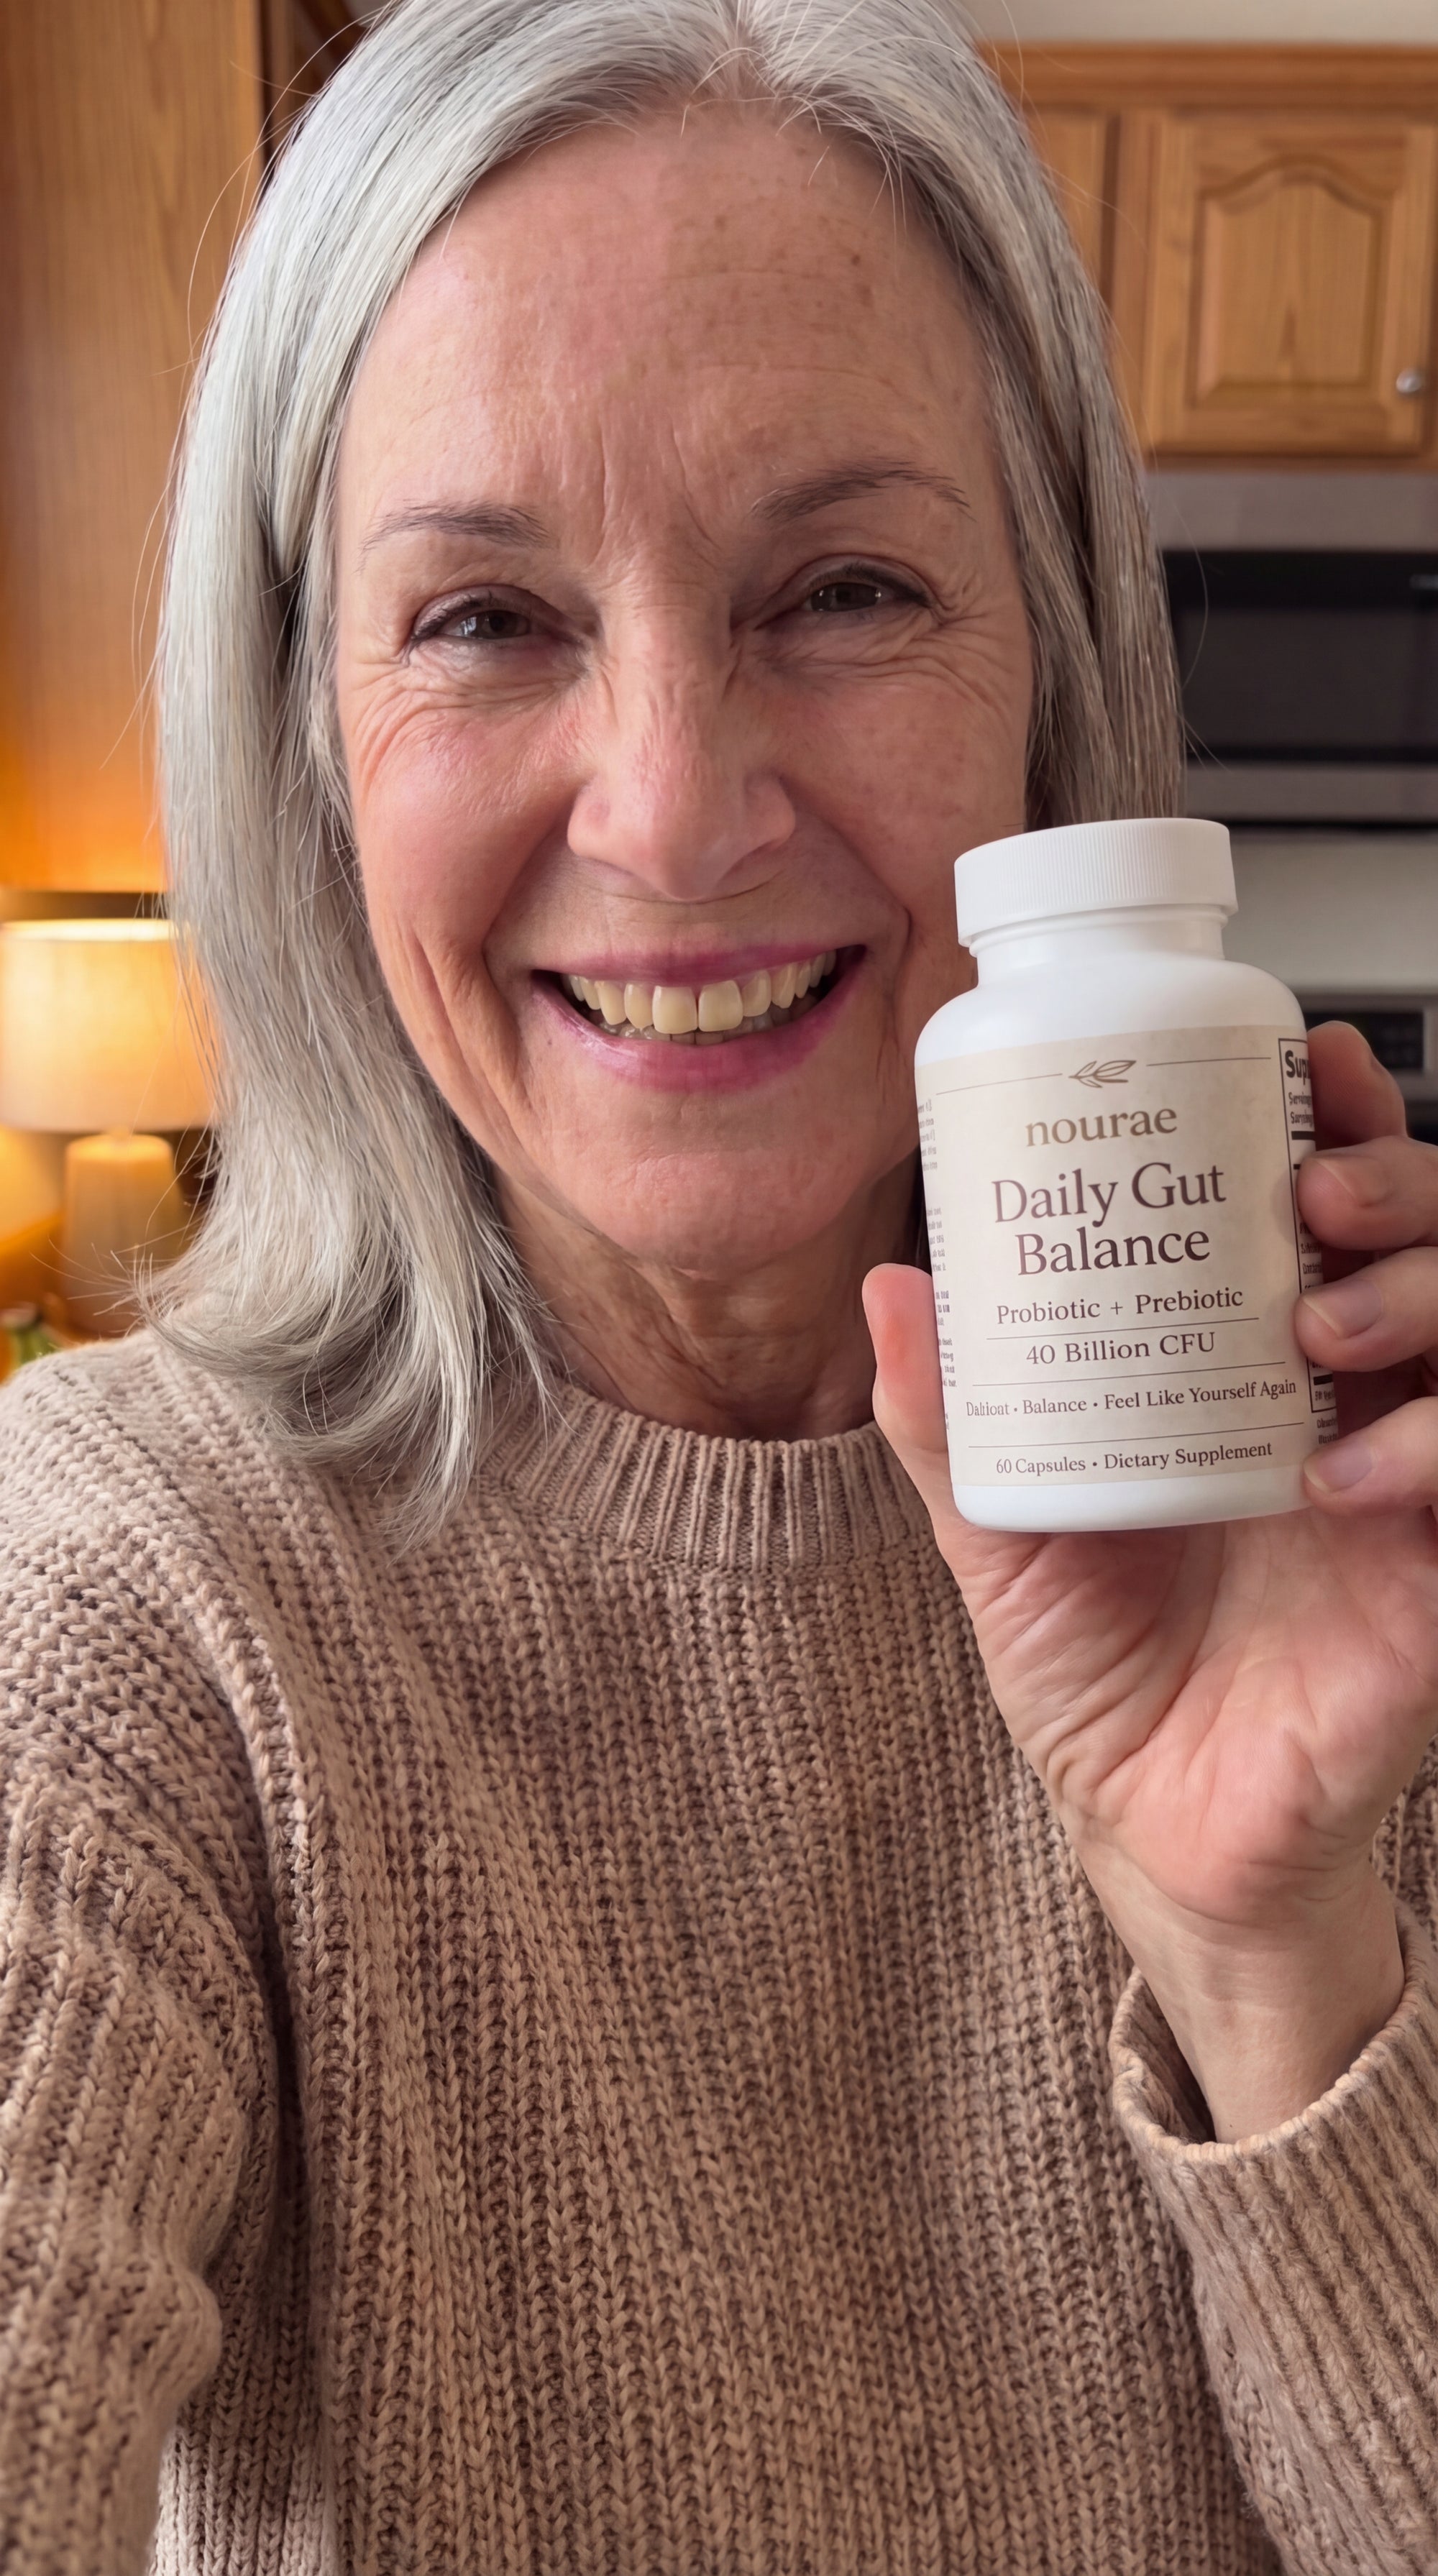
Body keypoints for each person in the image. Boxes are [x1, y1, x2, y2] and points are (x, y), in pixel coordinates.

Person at [1, 2, 1434, 2568]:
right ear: (305, 742)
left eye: (848, 589)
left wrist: (1275, 1944)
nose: (671, 813)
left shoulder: (1340, 1525)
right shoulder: (117, 1608)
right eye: (484, 618)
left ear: (1053, 676)